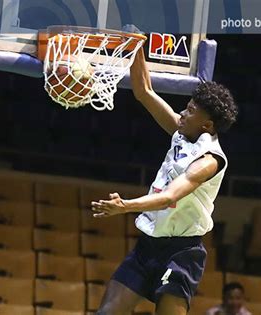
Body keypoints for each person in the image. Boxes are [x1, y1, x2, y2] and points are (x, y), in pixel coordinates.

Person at [91, 47, 238, 315]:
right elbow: (143, 91)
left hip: (181, 254)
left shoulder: (209, 161)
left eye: (191, 110)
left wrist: (125, 206)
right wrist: (136, 46)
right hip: (148, 246)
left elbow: (170, 197)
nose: (182, 113)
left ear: (207, 125)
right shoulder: (182, 133)